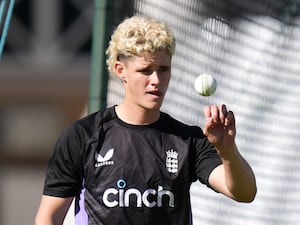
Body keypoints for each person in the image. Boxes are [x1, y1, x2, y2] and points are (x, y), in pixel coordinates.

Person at [35, 16, 256, 225]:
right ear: (121, 71)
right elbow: (49, 216)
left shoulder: (188, 139)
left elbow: (244, 193)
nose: (156, 80)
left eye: (163, 69)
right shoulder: (82, 135)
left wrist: (227, 151)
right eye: (146, 70)